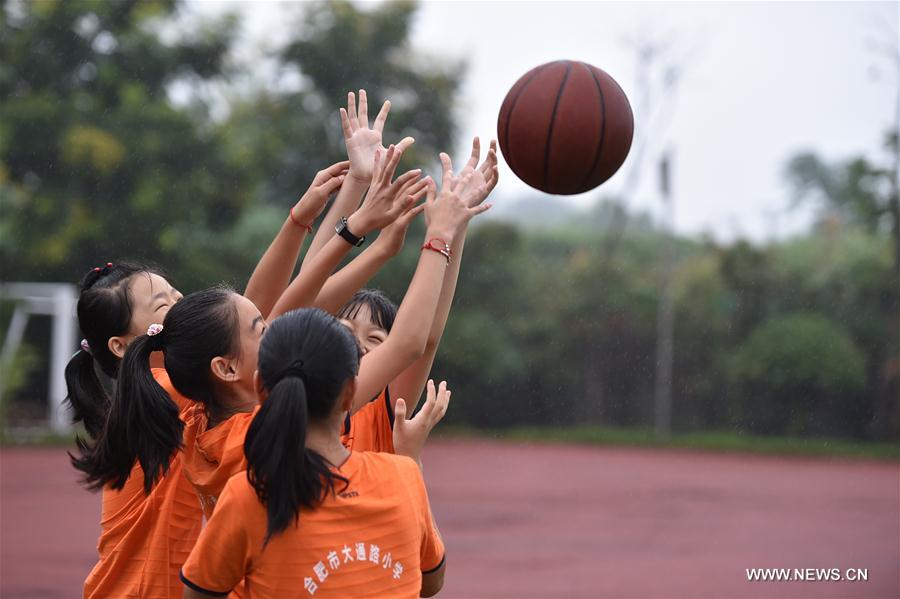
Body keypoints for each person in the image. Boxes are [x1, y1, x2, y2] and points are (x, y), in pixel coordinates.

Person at [180, 308, 449, 598]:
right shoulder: (404, 475)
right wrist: (411, 458)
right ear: (351, 391)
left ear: (261, 388)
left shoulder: (247, 495)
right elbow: (431, 582)